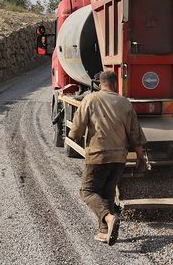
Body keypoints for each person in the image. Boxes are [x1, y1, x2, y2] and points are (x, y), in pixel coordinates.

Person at [69, 70, 147, 246]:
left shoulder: (90, 99)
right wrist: (141, 157)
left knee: (87, 191)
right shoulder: (125, 103)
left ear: (99, 84)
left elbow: (77, 128)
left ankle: (110, 217)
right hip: (119, 157)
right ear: (115, 84)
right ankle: (104, 232)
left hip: (98, 154)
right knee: (108, 193)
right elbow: (135, 133)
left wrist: (73, 135)